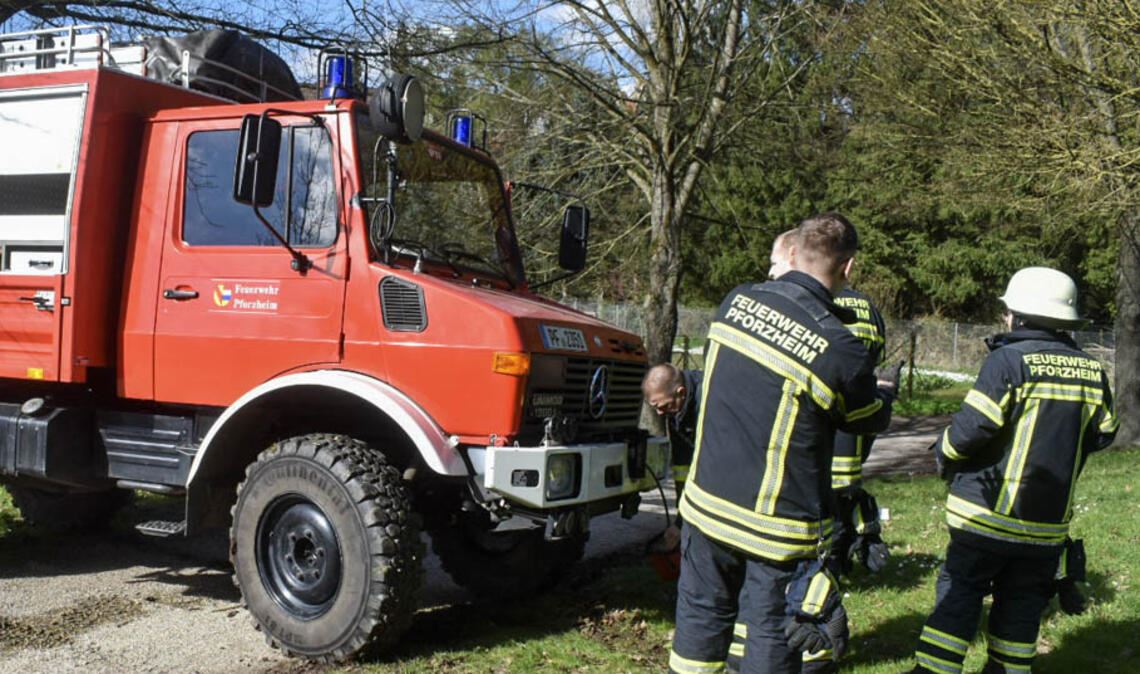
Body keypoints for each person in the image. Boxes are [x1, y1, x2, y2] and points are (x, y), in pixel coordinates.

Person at [669, 213, 897, 674]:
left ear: (793, 253)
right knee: (770, 633)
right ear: (848, 268)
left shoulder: (736, 302)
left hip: (705, 504)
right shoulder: (840, 348)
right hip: (775, 526)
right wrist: (881, 394)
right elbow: (866, 418)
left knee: (699, 620)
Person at [909, 266, 1118, 674]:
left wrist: (943, 453)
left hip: (984, 517)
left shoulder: (1008, 360)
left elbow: (970, 431)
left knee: (961, 591)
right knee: (1023, 602)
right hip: (1046, 525)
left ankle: (935, 670)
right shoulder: (1092, 371)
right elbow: (1105, 432)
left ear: (1018, 315)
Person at [643, 363, 703, 550]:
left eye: (664, 406)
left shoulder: (708, 400)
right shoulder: (675, 407)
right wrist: (681, 520)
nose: (660, 413)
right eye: (656, 407)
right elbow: (682, 466)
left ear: (681, 392)